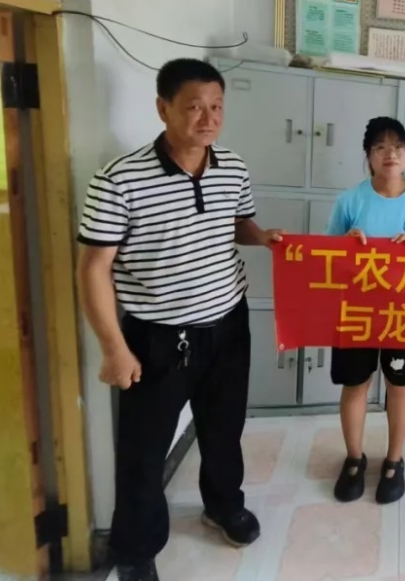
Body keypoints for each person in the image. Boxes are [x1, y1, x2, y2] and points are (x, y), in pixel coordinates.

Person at [76, 59, 283, 581]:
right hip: (157, 337)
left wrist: (261, 237)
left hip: (228, 326)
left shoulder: (232, 167)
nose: (208, 118)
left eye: (216, 107)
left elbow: (235, 222)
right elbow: (93, 268)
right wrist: (114, 348)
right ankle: (136, 548)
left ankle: (224, 506)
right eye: (194, 107)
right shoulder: (118, 179)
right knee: (144, 451)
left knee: (224, 429)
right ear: (162, 108)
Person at [326, 117, 405, 505]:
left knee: (399, 385)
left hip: (404, 313)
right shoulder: (350, 201)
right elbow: (324, 258)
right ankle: (354, 459)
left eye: (398, 146)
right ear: (368, 156)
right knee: (355, 384)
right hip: (357, 310)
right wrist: (345, 244)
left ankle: (394, 461)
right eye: (380, 147)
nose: (390, 153)